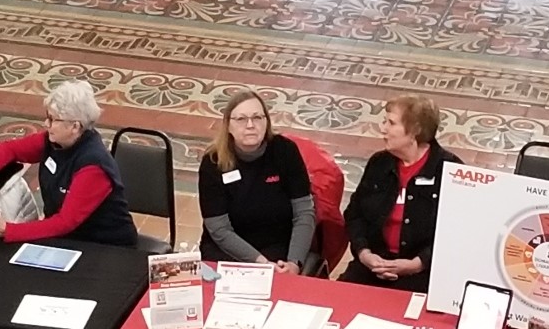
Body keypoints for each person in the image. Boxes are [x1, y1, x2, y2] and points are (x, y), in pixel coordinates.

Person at [0, 80, 136, 246]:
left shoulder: (93, 166)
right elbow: (10, 149)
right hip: (66, 238)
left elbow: (65, 222)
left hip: (103, 245)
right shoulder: (52, 141)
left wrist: (8, 230)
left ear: (74, 126)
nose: (46, 124)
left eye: (52, 119)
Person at [340, 95, 461, 292]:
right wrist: (364, 253)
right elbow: (355, 215)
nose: (383, 129)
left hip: (423, 273)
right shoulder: (378, 164)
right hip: (372, 265)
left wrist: (418, 263)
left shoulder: (450, 171)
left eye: (391, 123)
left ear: (415, 131)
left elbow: (457, 232)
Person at [197, 90, 315, 274]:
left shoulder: (285, 151)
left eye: (257, 117)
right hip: (227, 250)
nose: (250, 125)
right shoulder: (213, 162)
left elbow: (304, 213)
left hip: (277, 250)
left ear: (266, 122)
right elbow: (219, 229)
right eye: (241, 119)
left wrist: (294, 262)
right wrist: (259, 263)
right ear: (228, 125)